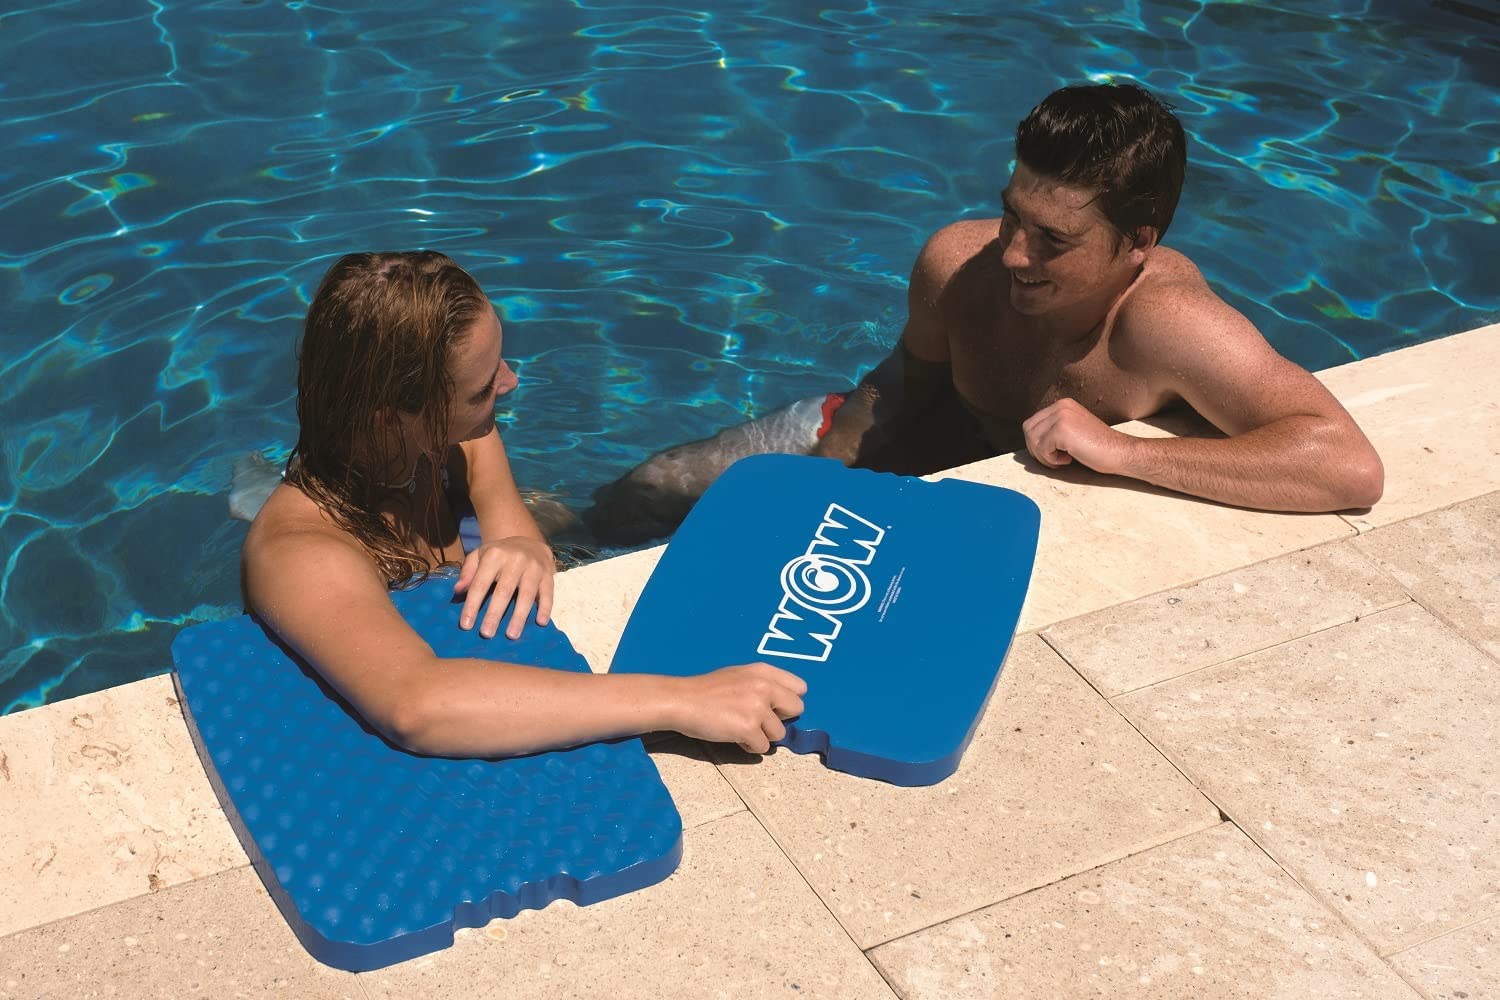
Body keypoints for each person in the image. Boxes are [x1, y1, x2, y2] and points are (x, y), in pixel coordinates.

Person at [585, 83, 1383, 546]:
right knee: (649, 489)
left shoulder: (1167, 325)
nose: (1011, 254)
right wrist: (821, 476)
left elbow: (1345, 466)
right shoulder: (955, 264)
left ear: (1137, 244)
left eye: (1053, 241)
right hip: (923, 438)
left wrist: (1121, 453)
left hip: (983, 502)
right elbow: (896, 388)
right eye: (1011, 217)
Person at [242, 251, 804, 758]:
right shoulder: (302, 555)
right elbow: (418, 706)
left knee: (642, 502)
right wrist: (682, 699)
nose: (510, 383)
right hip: (354, 597)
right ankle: (249, 487)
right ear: (391, 419)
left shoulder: (456, 439)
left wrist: (526, 550)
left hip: (417, 517)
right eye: (483, 387)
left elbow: (526, 544)